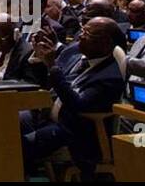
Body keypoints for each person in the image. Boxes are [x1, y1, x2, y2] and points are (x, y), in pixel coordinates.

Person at [20, 17, 127, 177]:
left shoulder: (110, 77)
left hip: (73, 131)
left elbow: (77, 105)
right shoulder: (76, 52)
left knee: (18, 145)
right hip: (46, 115)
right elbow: (50, 79)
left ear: (106, 43)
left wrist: (52, 66)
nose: (80, 36)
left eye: (87, 34)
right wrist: (45, 54)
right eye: (82, 30)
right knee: (7, 125)